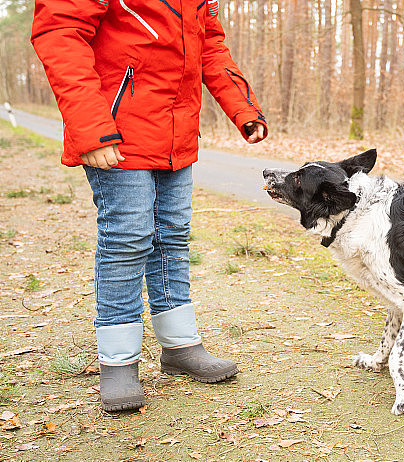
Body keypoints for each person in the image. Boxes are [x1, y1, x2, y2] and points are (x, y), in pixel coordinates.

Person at [31, 0, 268, 412]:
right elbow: (60, 32)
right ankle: (118, 362)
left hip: (176, 129)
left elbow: (209, 44)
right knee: (127, 239)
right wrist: (89, 127)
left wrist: (241, 108)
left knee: (172, 237)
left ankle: (180, 346)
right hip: (114, 133)